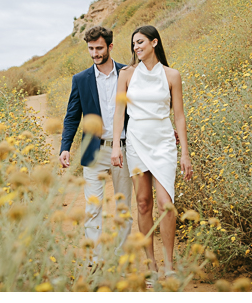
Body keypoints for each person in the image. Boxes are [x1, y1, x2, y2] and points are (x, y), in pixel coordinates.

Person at [111, 25, 192, 277]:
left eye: (141, 42)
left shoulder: (172, 75)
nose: (136, 47)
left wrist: (185, 153)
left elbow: (179, 116)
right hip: (135, 141)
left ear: (154, 42)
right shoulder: (126, 74)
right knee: (143, 204)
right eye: (134, 44)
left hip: (164, 143)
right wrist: (116, 145)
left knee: (166, 204)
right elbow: (118, 113)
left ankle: (168, 265)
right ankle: (151, 265)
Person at [59, 26, 133, 254]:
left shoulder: (128, 73)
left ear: (110, 46)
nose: (94, 53)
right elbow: (72, 115)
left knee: (124, 208)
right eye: (91, 48)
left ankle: (119, 261)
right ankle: (97, 261)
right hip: (94, 150)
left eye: (99, 48)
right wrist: (65, 147)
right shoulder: (80, 79)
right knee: (93, 208)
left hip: (124, 150)